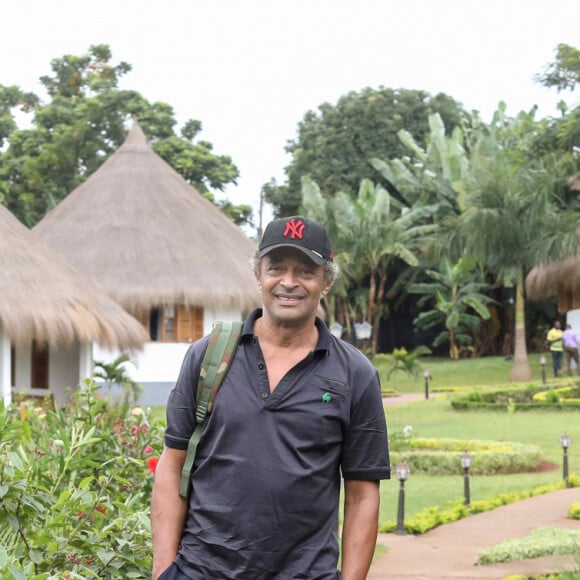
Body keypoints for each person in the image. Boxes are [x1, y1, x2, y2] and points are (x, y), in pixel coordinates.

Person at [151, 215, 391, 580]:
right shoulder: (209, 356)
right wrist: (162, 570)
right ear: (258, 275)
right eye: (276, 268)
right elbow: (172, 465)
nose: (289, 283)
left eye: (306, 271)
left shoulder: (354, 374)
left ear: (326, 281)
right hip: (201, 571)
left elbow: (361, 494)